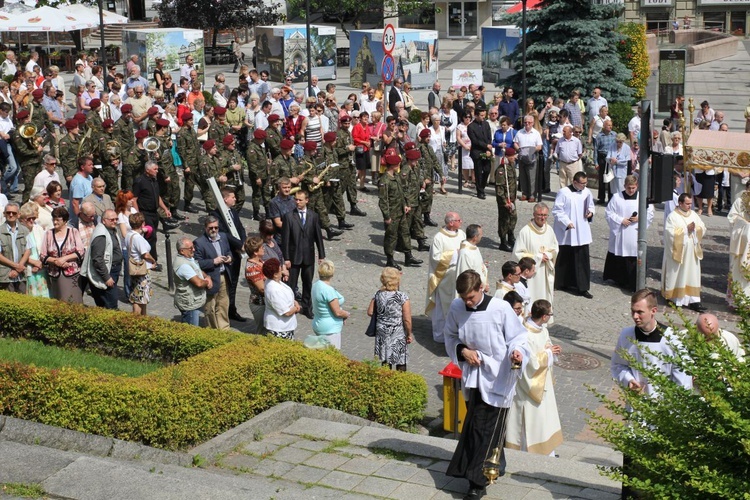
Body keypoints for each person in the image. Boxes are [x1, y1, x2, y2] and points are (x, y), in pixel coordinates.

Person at [444, 270, 530, 500]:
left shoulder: (500, 309)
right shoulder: (457, 307)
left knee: (484, 426)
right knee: (481, 424)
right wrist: (463, 351)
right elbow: (450, 336)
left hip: (498, 375)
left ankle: (476, 483)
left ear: (481, 288)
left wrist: (518, 353)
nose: (467, 303)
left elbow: (518, 338)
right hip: (473, 376)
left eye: (470, 297)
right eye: (463, 298)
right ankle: (495, 464)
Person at [611, 288, 693, 499]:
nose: (635, 317)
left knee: (659, 463)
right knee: (633, 460)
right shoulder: (626, 335)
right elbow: (618, 366)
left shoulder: (672, 339)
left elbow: (683, 381)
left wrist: (674, 412)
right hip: (637, 409)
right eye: (633, 312)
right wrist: (629, 381)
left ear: (654, 311)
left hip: (664, 412)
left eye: (640, 312)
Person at [505, 299, 562, 456]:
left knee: (544, 419)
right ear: (544, 317)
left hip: (543, 382)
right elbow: (530, 363)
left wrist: (551, 349)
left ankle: (547, 451)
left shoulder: (542, 330)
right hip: (528, 386)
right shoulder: (525, 334)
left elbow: (546, 344)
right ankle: (527, 452)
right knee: (529, 422)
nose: (550, 317)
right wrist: (549, 354)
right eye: (549, 314)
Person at [603, 176, 654, 292]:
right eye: (629, 188)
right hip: (621, 232)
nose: (631, 190)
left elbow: (650, 213)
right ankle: (620, 280)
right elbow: (608, 213)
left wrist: (640, 218)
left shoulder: (642, 198)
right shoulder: (617, 197)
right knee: (621, 256)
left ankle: (635, 281)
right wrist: (621, 220)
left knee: (634, 256)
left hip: (635, 232)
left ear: (637, 186)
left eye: (633, 188)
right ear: (624, 186)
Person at [281, 189, 325, 319]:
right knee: (291, 284)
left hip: (308, 256)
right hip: (294, 257)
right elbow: (286, 240)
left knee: (308, 283)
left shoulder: (313, 216)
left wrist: (321, 255)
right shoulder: (289, 216)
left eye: (300, 200)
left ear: (307, 200)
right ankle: (290, 306)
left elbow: (318, 236)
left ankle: (307, 307)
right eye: (296, 199)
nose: (297, 202)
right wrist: (286, 258)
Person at [552, 171, 595, 299]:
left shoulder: (587, 192)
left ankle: (582, 288)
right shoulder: (564, 192)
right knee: (565, 257)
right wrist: (567, 222)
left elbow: (591, 206)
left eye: (586, 183)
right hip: (567, 231)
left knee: (581, 259)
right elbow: (557, 210)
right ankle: (562, 283)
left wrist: (590, 213)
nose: (584, 185)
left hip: (581, 231)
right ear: (574, 182)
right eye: (582, 183)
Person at [662, 193, 707, 312]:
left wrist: (696, 229)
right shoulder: (673, 216)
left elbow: (702, 227)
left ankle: (694, 301)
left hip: (692, 252)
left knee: (693, 275)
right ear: (680, 203)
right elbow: (669, 233)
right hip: (679, 253)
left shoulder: (693, 214)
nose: (689, 206)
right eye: (687, 204)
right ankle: (677, 299)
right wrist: (686, 230)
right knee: (680, 274)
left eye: (691, 203)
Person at [426, 212, 466, 343]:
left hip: (459, 276)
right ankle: (440, 334)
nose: (461, 222)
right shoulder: (439, 238)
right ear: (451, 223)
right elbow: (436, 258)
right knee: (443, 307)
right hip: (444, 278)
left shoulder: (461, 234)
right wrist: (455, 254)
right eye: (459, 220)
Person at [379, 153, 422, 270]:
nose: (399, 165)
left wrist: (406, 204)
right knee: (391, 236)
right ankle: (390, 259)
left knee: (405, 233)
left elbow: (402, 192)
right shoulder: (384, 181)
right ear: (393, 165)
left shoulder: (396, 177)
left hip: (401, 211)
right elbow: (383, 201)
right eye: (397, 163)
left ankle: (408, 256)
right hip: (392, 213)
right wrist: (386, 216)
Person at [212, 188, 248, 323]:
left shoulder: (233, 212)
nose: (235, 199)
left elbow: (240, 228)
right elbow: (224, 234)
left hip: (237, 253)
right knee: (225, 284)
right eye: (232, 197)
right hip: (227, 252)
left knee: (233, 283)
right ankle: (223, 310)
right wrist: (239, 244)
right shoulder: (216, 214)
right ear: (225, 199)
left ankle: (232, 309)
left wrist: (243, 241)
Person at [367, 267, 412, 370]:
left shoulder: (378, 294)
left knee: (385, 360)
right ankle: (400, 382)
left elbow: (370, 312)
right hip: (397, 332)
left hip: (382, 331)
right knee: (400, 360)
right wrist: (409, 334)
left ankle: (386, 381)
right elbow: (407, 320)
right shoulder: (402, 297)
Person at [194, 216, 233, 330]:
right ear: (205, 228)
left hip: (223, 276)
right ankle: (212, 329)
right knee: (210, 307)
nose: (214, 230)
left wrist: (229, 257)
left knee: (223, 304)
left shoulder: (223, 237)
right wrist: (213, 261)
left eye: (216, 227)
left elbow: (228, 251)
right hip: (210, 278)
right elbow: (197, 263)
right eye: (211, 228)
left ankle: (224, 328)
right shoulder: (199, 242)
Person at [132, 161, 172, 271]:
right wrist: (139, 215)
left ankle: (149, 258)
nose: (157, 171)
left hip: (154, 213)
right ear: (147, 170)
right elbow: (134, 199)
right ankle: (152, 261)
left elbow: (157, 196)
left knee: (153, 236)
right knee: (151, 236)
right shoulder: (139, 181)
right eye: (155, 169)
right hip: (145, 212)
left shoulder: (155, 180)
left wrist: (165, 209)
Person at [41, 207, 84, 303]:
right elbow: (43, 255)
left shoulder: (73, 232)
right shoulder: (48, 233)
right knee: (58, 302)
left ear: (65, 221)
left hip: (71, 273)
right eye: (53, 219)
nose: (55, 222)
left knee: (73, 301)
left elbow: (80, 251)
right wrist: (57, 262)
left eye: (58, 220)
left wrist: (64, 259)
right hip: (54, 274)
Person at [311, 259, 350, 349]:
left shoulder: (316, 285)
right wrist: (346, 314)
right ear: (332, 274)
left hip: (318, 323)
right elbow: (338, 312)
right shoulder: (328, 291)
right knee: (333, 354)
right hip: (330, 329)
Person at [173, 237, 212, 326]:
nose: (193, 249)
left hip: (193, 302)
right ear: (182, 251)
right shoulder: (183, 266)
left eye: (193, 247)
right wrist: (207, 281)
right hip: (189, 305)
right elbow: (199, 283)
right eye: (190, 248)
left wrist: (207, 276)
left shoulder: (188, 259)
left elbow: (197, 269)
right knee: (191, 329)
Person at [123, 212, 155, 315]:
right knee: (139, 298)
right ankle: (137, 319)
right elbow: (145, 254)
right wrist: (153, 260)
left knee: (140, 297)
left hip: (134, 269)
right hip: (141, 271)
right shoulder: (137, 238)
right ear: (142, 224)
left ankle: (143, 318)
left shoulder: (129, 234)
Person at [262, 257, 300, 339]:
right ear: (275, 274)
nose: (282, 271)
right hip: (279, 329)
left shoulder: (275, 281)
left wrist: (294, 302)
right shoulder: (274, 290)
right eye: (280, 269)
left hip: (285, 326)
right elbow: (286, 312)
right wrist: (297, 307)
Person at [18, 203, 49, 298]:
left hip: (41, 268)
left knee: (45, 298)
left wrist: (40, 263)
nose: (32, 220)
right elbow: (19, 253)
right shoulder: (19, 231)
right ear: (22, 219)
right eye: (28, 218)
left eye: (33, 218)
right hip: (28, 269)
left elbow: (45, 247)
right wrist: (33, 262)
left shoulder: (38, 229)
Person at [727, 179, 750, 306]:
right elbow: (732, 218)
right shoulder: (740, 201)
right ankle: (738, 301)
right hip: (741, 244)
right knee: (738, 271)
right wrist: (744, 225)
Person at [0, 202, 30, 293]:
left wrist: (19, 268)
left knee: (23, 302)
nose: (11, 215)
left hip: (21, 275)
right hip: (6, 275)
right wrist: (16, 266)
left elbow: (28, 250)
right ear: (4, 214)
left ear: (19, 215)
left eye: (14, 213)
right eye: (8, 212)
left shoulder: (25, 230)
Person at [514, 115, 543, 202]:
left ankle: (532, 195)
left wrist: (532, 150)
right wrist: (519, 150)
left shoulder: (536, 133)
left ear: (533, 123)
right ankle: (524, 193)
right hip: (522, 156)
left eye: (529, 122)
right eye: (526, 122)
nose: (527, 124)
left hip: (532, 156)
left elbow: (539, 146)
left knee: (532, 177)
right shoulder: (519, 132)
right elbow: (515, 143)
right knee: (522, 176)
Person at [467, 104, 493, 199]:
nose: (483, 117)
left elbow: (489, 137)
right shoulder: (471, 127)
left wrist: (488, 148)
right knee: (478, 172)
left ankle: (481, 187)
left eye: (484, 115)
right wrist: (486, 146)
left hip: (486, 151)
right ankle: (480, 191)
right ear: (476, 115)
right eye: (481, 115)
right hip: (477, 152)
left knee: (487, 170)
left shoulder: (486, 124)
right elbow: (475, 141)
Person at [495, 147, 518, 252]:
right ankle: (503, 242)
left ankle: (511, 237)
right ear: (507, 156)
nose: (514, 157)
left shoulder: (511, 166)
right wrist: (505, 202)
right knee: (504, 220)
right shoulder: (501, 170)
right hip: (504, 200)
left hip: (511, 198)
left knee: (513, 218)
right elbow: (500, 188)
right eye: (512, 156)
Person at [244, 236, 267, 335]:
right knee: (262, 331)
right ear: (255, 252)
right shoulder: (251, 268)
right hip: (259, 303)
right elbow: (262, 288)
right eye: (261, 247)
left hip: (265, 302)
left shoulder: (260, 261)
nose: (264, 248)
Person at [456, 224, 489, 293]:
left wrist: (484, 283)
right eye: (480, 234)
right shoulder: (465, 253)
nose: (482, 236)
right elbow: (467, 275)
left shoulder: (474, 248)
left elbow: (480, 266)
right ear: (475, 237)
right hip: (472, 289)